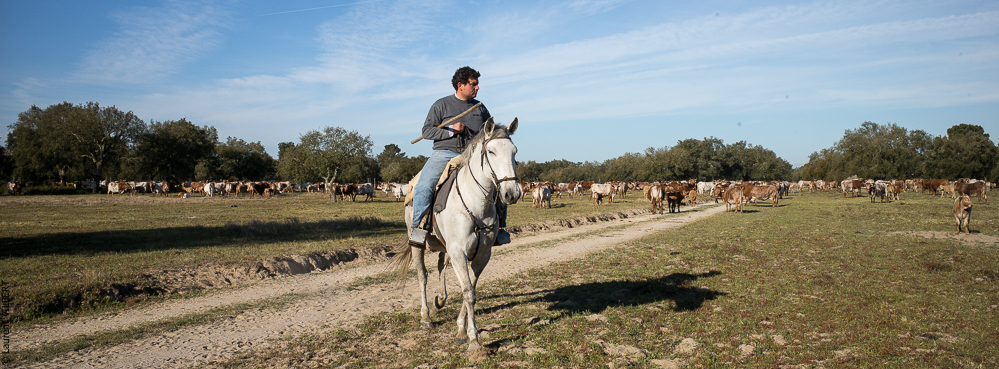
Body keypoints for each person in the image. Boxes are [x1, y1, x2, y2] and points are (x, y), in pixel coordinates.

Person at [408, 66, 511, 247]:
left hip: (472, 157)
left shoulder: (480, 108)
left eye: (477, 84)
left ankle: (499, 229)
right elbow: (426, 131)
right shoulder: (441, 105)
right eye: (474, 84)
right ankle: (418, 228)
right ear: (460, 85)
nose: (477, 87)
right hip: (444, 154)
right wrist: (450, 130)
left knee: (500, 185)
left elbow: (489, 133)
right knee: (424, 186)